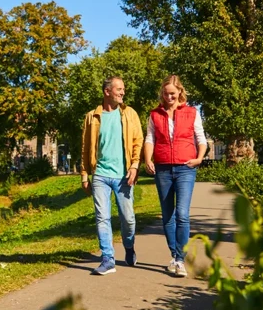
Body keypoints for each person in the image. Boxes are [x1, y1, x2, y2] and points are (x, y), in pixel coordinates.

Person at [144, 75, 207, 278]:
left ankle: (180, 259)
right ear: (162, 94)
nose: (169, 96)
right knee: (167, 215)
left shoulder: (191, 112)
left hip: (186, 168)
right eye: (165, 93)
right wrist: (148, 159)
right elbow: (150, 139)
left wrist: (199, 158)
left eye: (172, 93)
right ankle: (174, 254)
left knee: (182, 214)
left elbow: (201, 138)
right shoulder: (155, 115)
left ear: (179, 92)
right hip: (162, 169)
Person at [81, 76, 144, 275]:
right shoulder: (92, 117)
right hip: (100, 174)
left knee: (128, 219)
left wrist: (134, 166)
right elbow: (85, 148)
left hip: (124, 176)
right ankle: (107, 258)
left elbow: (138, 142)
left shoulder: (129, 114)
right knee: (102, 217)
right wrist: (84, 175)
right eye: (118, 89)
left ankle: (129, 246)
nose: (122, 92)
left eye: (123, 89)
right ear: (107, 91)